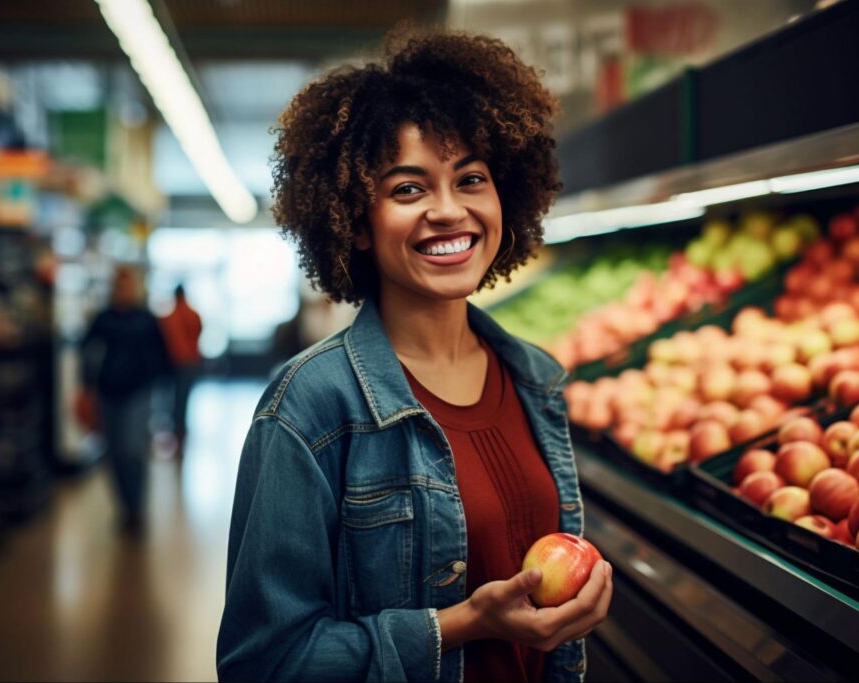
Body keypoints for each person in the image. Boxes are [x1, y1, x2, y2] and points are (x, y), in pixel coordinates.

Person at [217, 28, 613, 683]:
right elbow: (264, 662)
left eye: (472, 179)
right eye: (408, 189)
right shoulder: (309, 405)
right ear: (354, 218)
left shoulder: (534, 377)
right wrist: (463, 623)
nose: (449, 211)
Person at [81, 264, 171, 533]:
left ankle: (136, 508)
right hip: (108, 393)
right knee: (114, 452)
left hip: (138, 393)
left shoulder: (146, 319)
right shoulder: (103, 319)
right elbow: (88, 351)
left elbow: (161, 355)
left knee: (132, 450)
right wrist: (86, 387)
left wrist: (156, 382)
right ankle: (124, 507)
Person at [160, 283, 203, 457]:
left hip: (176, 363)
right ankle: (180, 433)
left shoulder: (170, 317)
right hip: (191, 362)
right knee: (183, 399)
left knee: (176, 400)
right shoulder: (193, 314)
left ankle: (178, 433)